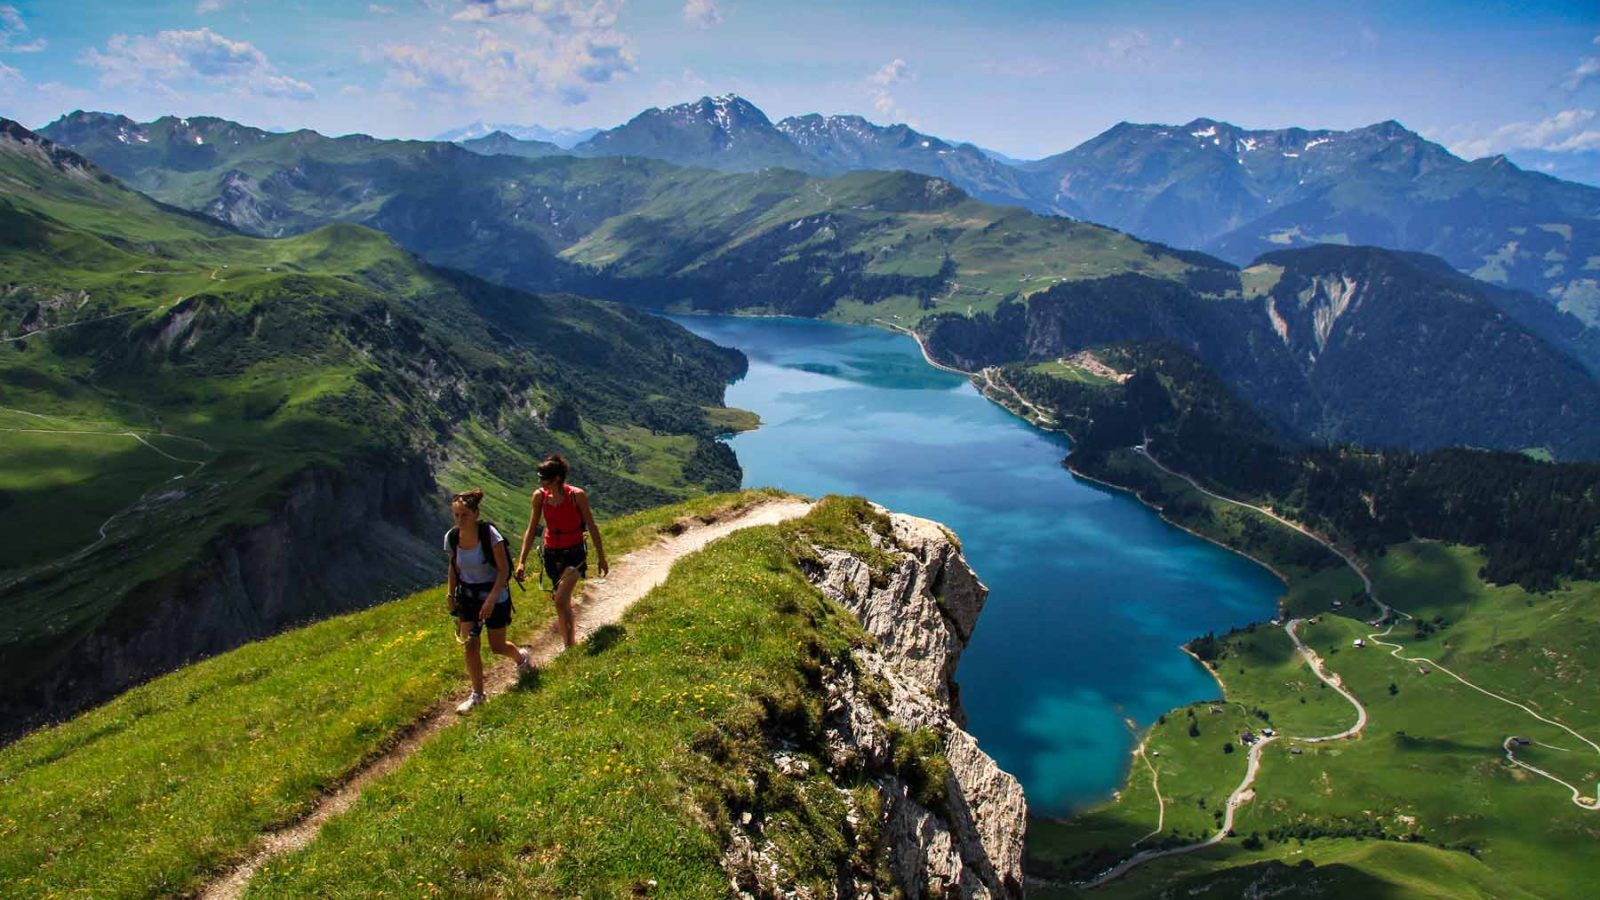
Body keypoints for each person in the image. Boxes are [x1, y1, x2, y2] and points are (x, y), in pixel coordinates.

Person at [445, 488, 531, 713]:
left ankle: (521, 658)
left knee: (497, 646)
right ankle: (478, 695)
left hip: (495, 595)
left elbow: (503, 571)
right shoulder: (452, 537)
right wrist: (450, 594)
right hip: (468, 597)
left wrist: (491, 600)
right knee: (470, 644)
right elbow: (453, 568)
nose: (460, 520)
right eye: (456, 515)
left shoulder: (489, 535)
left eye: (464, 515)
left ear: (475, 513)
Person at [516, 454, 608, 649]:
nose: (541, 483)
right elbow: (531, 529)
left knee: (559, 600)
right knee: (562, 602)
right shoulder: (540, 497)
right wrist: (522, 561)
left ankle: (568, 646)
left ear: (557, 478)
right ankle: (570, 644)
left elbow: (592, 526)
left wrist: (602, 557)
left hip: (574, 553)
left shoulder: (576, 496)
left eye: (544, 479)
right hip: (551, 554)